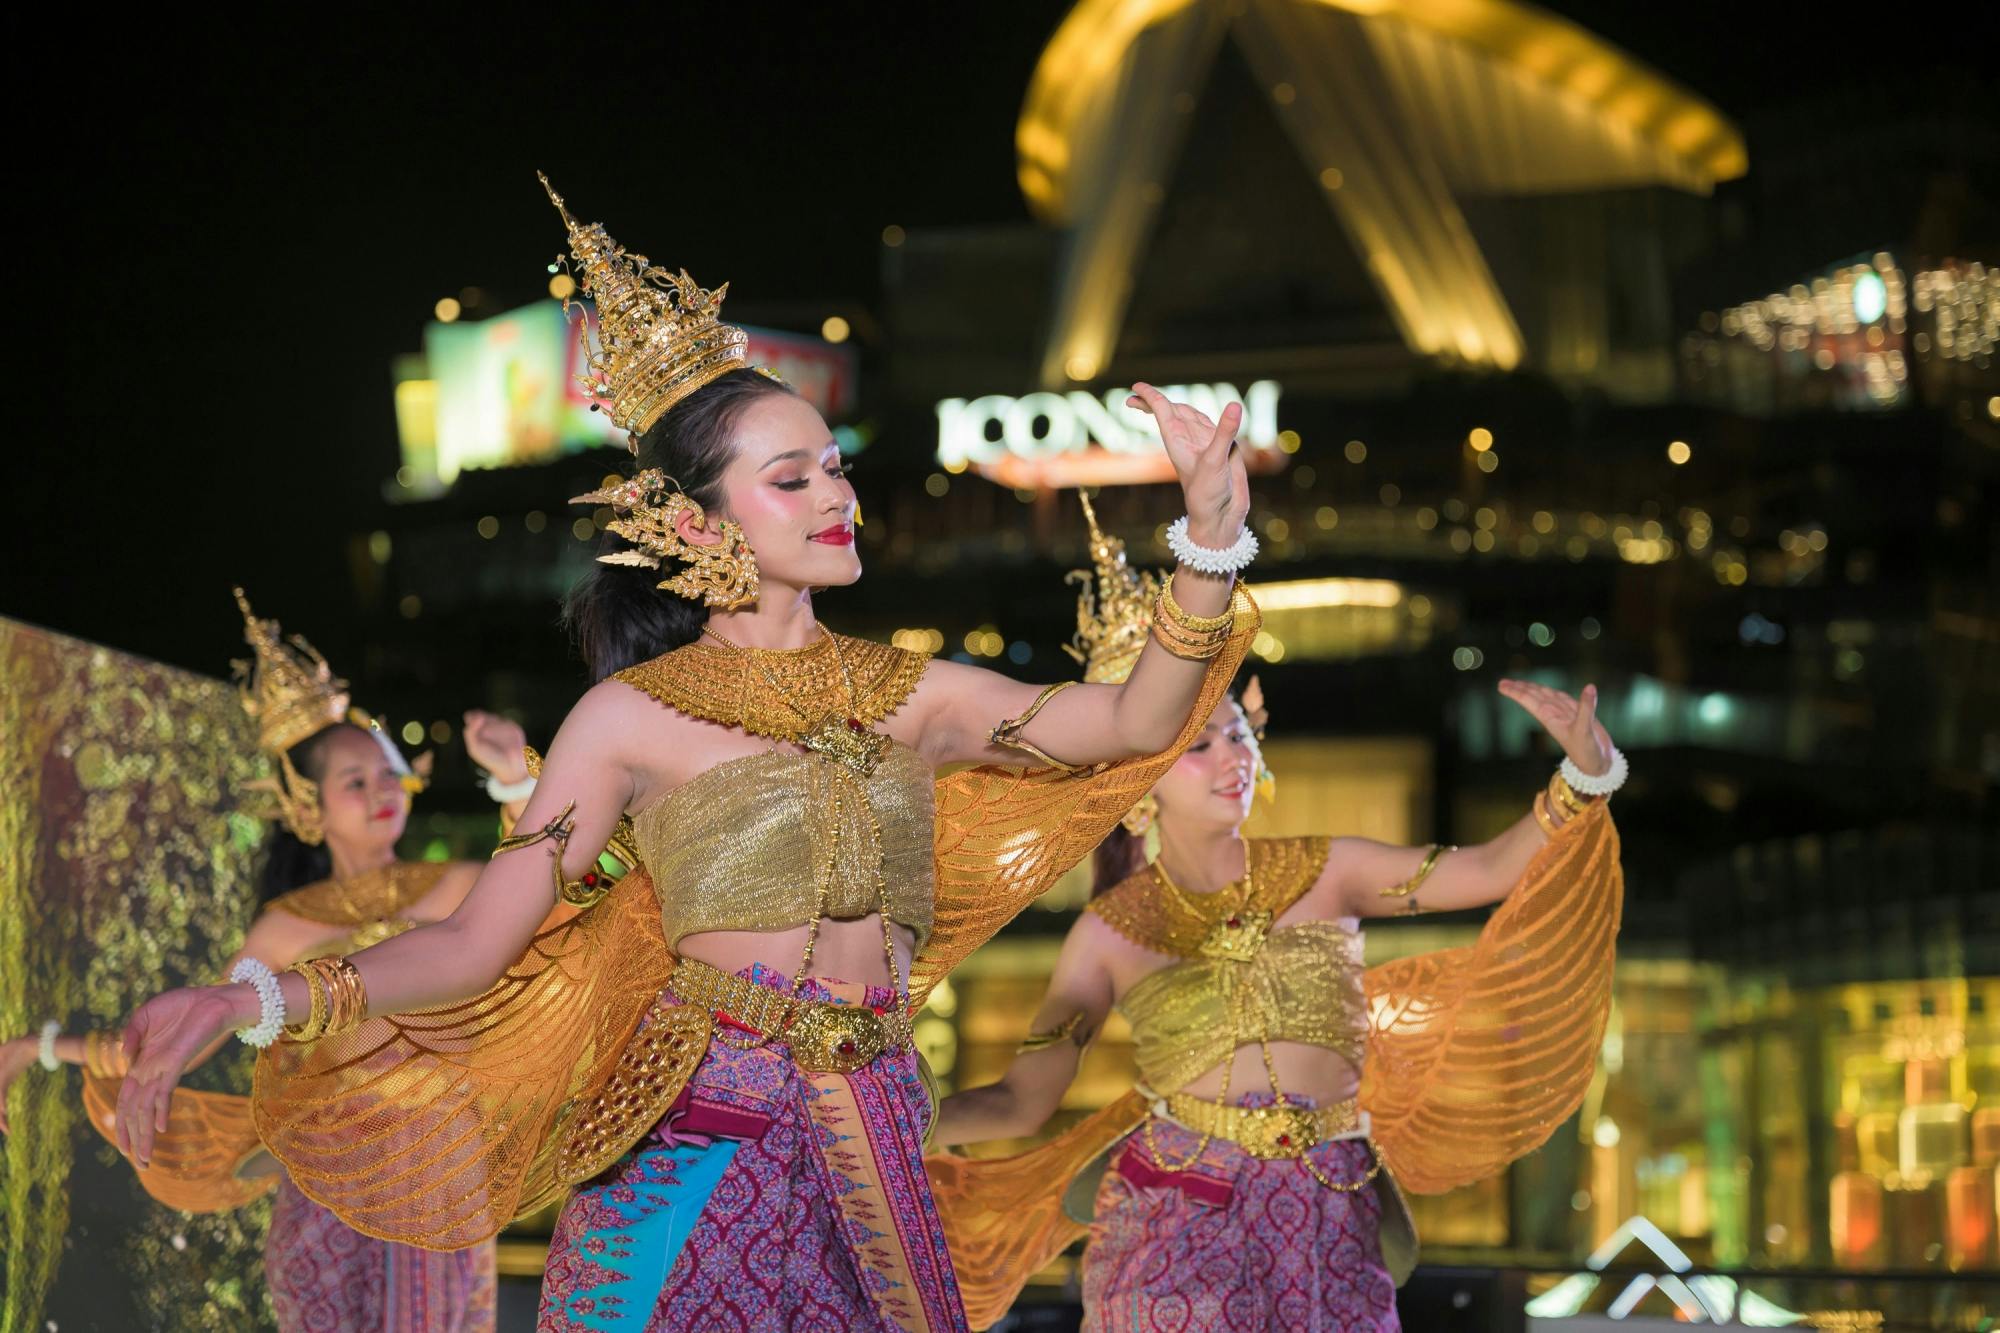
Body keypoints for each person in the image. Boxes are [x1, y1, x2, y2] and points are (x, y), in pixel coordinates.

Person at [111, 177, 1265, 1333]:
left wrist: (1209, 538)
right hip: (707, 1152)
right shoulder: (628, 721)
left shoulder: (915, 696)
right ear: (695, 526)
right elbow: (472, 942)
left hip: (879, 1145)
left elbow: (1128, 723)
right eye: (792, 478)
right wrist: (249, 993)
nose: (836, 498)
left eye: (837, 467)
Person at [924, 499, 1627, 1331]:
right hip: (1175, 1213)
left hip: (1330, 1209)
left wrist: (1580, 780)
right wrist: (896, 1120)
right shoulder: (1110, 930)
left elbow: (1486, 870)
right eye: (1198, 745)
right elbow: (1021, 1101)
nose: (1231, 758)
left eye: (1236, 738)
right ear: (1132, 781)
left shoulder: (1329, 869)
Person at [0, 590, 521, 1330]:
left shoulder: (459, 889)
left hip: (436, 1172)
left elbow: (553, 895)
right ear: (307, 808)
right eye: (354, 781)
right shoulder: (284, 928)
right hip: (324, 1192)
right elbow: (177, 1039)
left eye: (384, 772)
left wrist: (514, 780)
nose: (380, 791)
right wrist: (40, 1045)